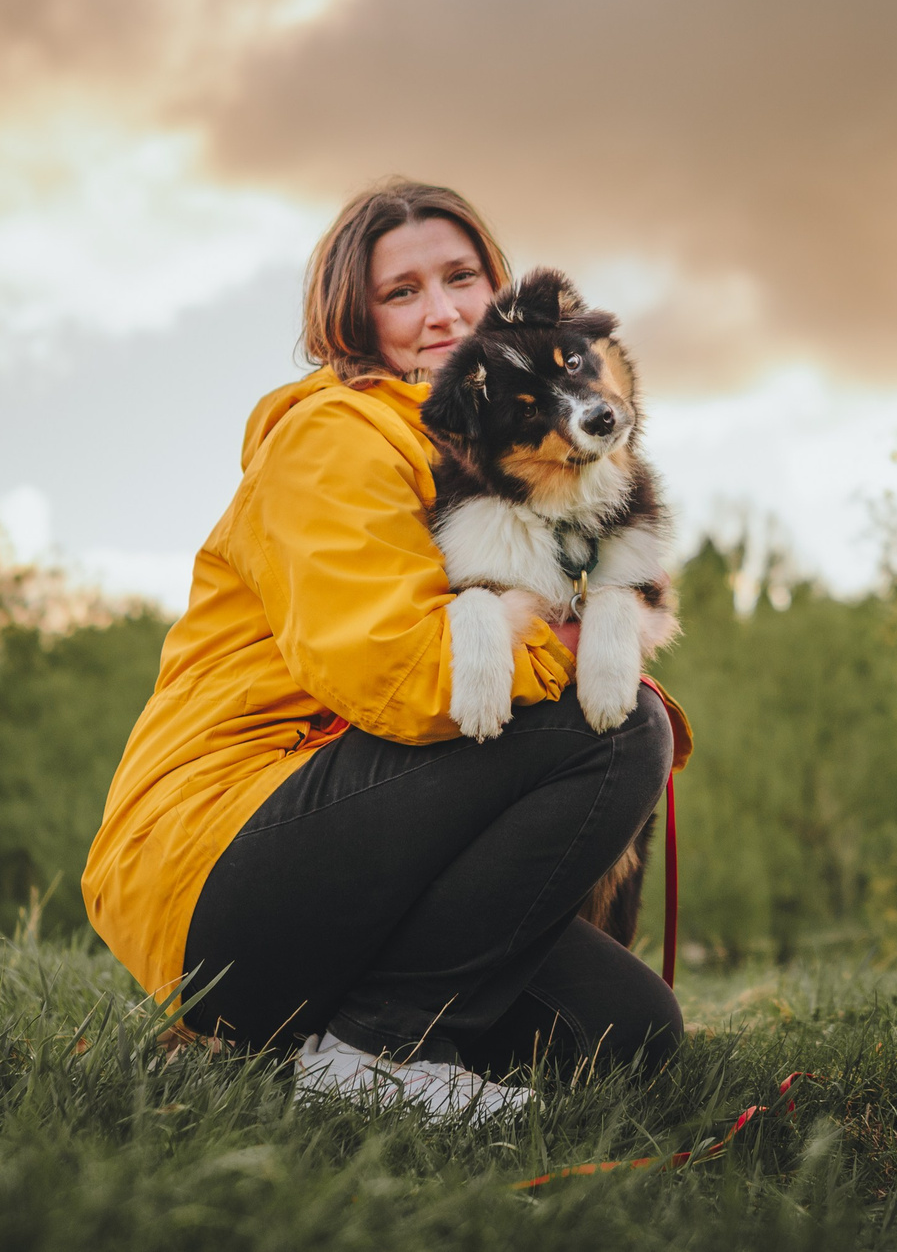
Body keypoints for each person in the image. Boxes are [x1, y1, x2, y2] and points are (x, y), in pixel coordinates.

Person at [82, 179, 688, 1119]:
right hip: (226, 862)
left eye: (461, 277)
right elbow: (407, 674)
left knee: (629, 1035)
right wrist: (580, 643)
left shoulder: (501, 435)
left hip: (371, 848)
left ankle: (295, 1050)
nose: (443, 312)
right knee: (618, 723)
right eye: (402, 292)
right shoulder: (335, 437)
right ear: (353, 319)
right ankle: (377, 1048)